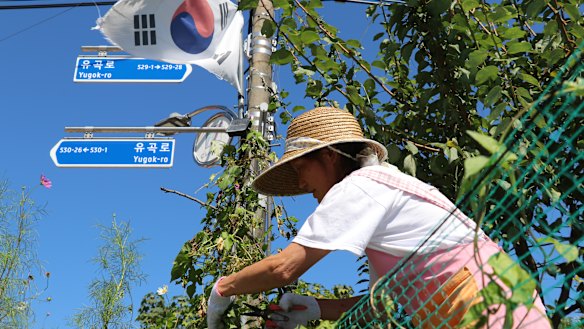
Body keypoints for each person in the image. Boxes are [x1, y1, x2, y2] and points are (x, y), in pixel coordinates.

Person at [206, 107, 550, 329]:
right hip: (504, 299)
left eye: (301, 168)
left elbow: (284, 268)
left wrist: (224, 289)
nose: (300, 183)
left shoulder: (361, 186)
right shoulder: (384, 191)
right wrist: (314, 307)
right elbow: (383, 306)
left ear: (328, 156)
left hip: (484, 305)